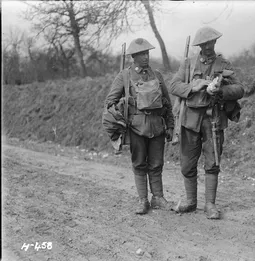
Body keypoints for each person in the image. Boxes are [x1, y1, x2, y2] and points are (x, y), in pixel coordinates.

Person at [170, 26, 245, 219]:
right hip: (189, 121)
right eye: (204, 44)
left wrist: (220, 91)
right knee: (187, 164)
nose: (208, 46)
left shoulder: (224, 63)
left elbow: (239, 89)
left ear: (215, 43)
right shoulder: (188, 64)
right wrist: (194, 87)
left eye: (211, 42)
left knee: (212, 163)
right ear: (200, 46)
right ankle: (190, 201)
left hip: (213, 120)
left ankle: (210, 204)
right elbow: (174, 86)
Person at [104, 38, 175, 215]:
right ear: (133, 57)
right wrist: (123, 104)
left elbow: (167, 103)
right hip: (136, 127)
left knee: (157, 163)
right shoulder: (125, 76)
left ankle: (157, 197)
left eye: (147, 53)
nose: (145, 57)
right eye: (141, 54)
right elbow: (109, 102)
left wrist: (170, 125)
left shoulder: (156, 75)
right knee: (139, 163)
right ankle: (142, 200)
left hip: (157, 126)